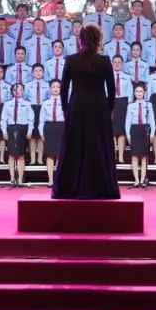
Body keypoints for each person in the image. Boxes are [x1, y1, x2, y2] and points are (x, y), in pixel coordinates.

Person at [52, 24, 121, 200]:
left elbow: (63, 89)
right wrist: (109, 110)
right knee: (99, 146)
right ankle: (101, 187)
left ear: (80, 40)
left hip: (77, 107)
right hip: (99, 108)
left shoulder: (71, 60)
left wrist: (66, 110)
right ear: (98, 40)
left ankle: (69, 186)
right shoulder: (104, 61)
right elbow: (112, 90)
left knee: (75, 145)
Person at [2, 82, 35, 188]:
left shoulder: (27, 104)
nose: (18, 91)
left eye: (20, 89)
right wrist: (4, 131)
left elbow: (31, 119)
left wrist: (30, 131)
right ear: (12, 91)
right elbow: (3, 119)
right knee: (11, 155)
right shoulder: (7, 104)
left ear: (23, 91)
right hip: (11, 128)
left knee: (21, 155)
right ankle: (12, 178)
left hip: (22, 129)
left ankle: (20, 179)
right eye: (15, 89)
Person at [124, 83, 153, 188]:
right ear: (134, 93)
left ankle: (142, 179)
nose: (139, 93)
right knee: (135, 156)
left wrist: (152, 133)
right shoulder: (130, 106)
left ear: (144, 93)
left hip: (145, 130)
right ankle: (136, 180)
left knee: (144, 157)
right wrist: (128, 134)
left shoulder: (148, 105)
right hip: (135, 130)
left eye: (141, 91)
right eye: (137, 91)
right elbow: (127, 121)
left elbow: (152, 120)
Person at [39, 79, 66, 188]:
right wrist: (41, 132)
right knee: (50, 155)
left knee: (60, 155)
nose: (56, 89)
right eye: (53, 87)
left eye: (58, 87)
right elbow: (41, 120)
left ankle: (59, 180)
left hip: (61, 127)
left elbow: (69, 118)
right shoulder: (45, 103)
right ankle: (50, 180)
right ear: (50, 88)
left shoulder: (65, 102)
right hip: (49, 128)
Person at [110, 56, 134, 164]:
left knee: (121, 131)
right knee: (112, 130)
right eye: (115, 62)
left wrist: (129, 105)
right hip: (111, 102)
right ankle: (113, 155)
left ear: (122, 64)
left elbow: (130, 93)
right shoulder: (108, 76)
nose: (117, 64)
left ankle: (120, 156)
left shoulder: (127, 77)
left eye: (119, 62)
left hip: (123, 103)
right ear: (112, 63)